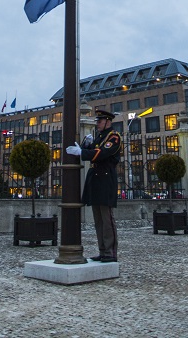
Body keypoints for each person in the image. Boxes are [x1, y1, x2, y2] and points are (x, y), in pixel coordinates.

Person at [66, 108, 122, 262]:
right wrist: (85, 146)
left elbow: (102, 153)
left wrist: (82, 153)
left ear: (108, 122)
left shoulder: (114, 137)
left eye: (100, 121)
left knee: (107, 218)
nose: (97, 123)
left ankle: (110, 252)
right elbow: (93, 150)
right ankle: (103, 250)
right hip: (96, 179)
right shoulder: (100, 137)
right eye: (97, 121)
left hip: (105, 179)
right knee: (98, 219)